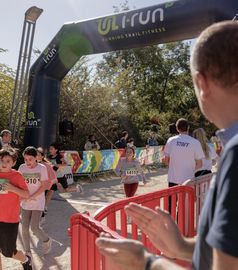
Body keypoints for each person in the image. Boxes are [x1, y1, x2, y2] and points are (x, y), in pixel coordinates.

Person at [96, 21, 238, 270]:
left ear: (201, 83)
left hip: (176, 181)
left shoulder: (235, 152)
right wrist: (181, 247)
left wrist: (145, 263)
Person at [18, 146, 52, 256]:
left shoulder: (42, 168)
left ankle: (47, 240)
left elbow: (44, 186)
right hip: (25, 202)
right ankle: (27, 252)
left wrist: (32, 196)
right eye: (25, 159)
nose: (27, 162)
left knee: (34, 227)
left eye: (30, 159)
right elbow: (18, 184)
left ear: (36, 158)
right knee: (24, 229)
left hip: (37, 201)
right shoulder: (22, 168)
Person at [164, 118, 204, 187]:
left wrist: (175, 168)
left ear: (177, 128)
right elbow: (200, 164)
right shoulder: (195, 142)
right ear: (188, 127)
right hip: (188, 181)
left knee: (173, 198)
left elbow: (166, 161)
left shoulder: (171, 140)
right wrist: (189, 169)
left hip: (173, 180)